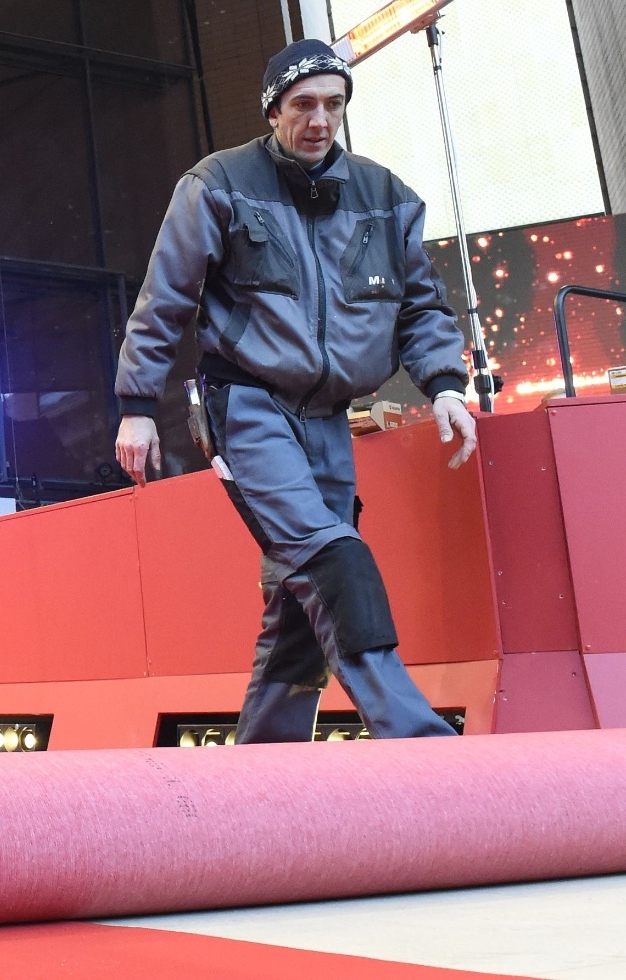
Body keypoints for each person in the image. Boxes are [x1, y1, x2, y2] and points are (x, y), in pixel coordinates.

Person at [112, 39, 477, 744]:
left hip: (329, 419)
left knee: (296, 600)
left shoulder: (386, 196)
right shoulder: (217, 182)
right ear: (273, 108)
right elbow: (164, 301)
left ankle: (263, 769)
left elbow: (421, 309)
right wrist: (136, 408)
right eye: (303, 105)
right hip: (246, 408)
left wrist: (447, 387)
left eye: (334, 105)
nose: (320, 120)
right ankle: (415, 735)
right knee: (331, 556)